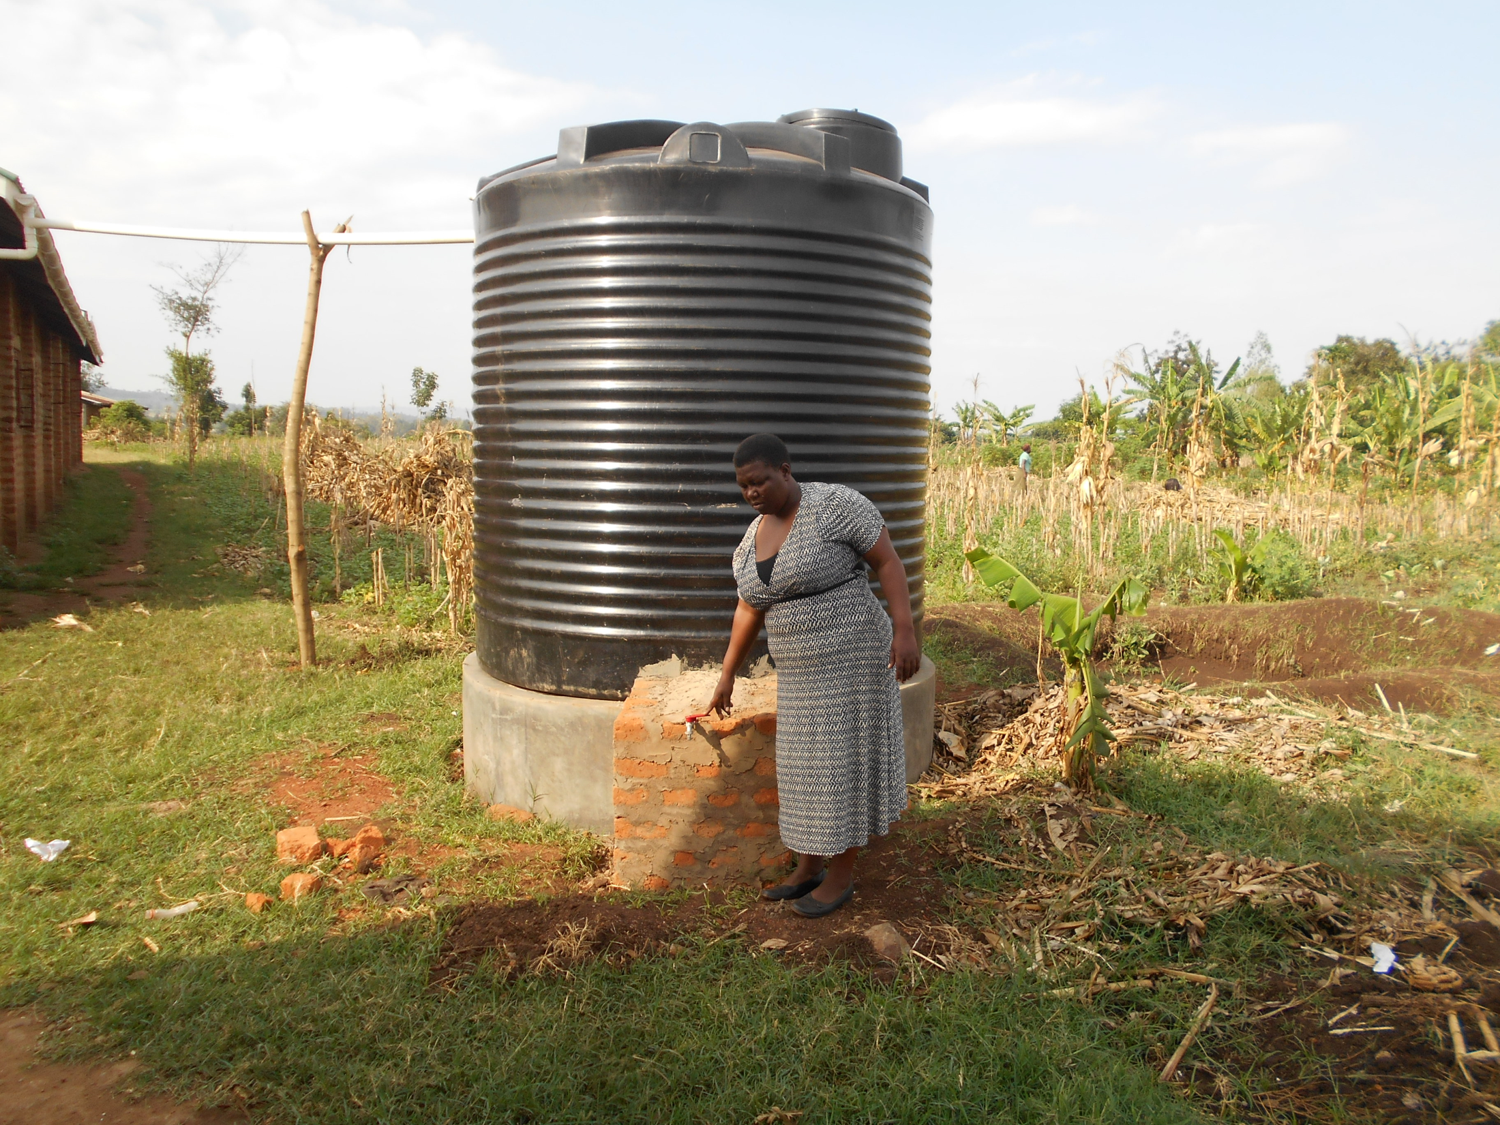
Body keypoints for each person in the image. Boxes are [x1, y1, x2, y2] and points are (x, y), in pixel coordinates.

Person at [708, 433, 921, 917]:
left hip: (854, 660)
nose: (752, 493)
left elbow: (887, 561)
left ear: (785, 469)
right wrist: (727, 674)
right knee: (804, 772)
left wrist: (904, 632)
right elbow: (748, 607)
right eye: (744, 486)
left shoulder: (834, 506)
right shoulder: (753, 537)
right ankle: (809, 868)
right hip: (802, 676)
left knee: (839, 768)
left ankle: (841, 877)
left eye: (759, 481)